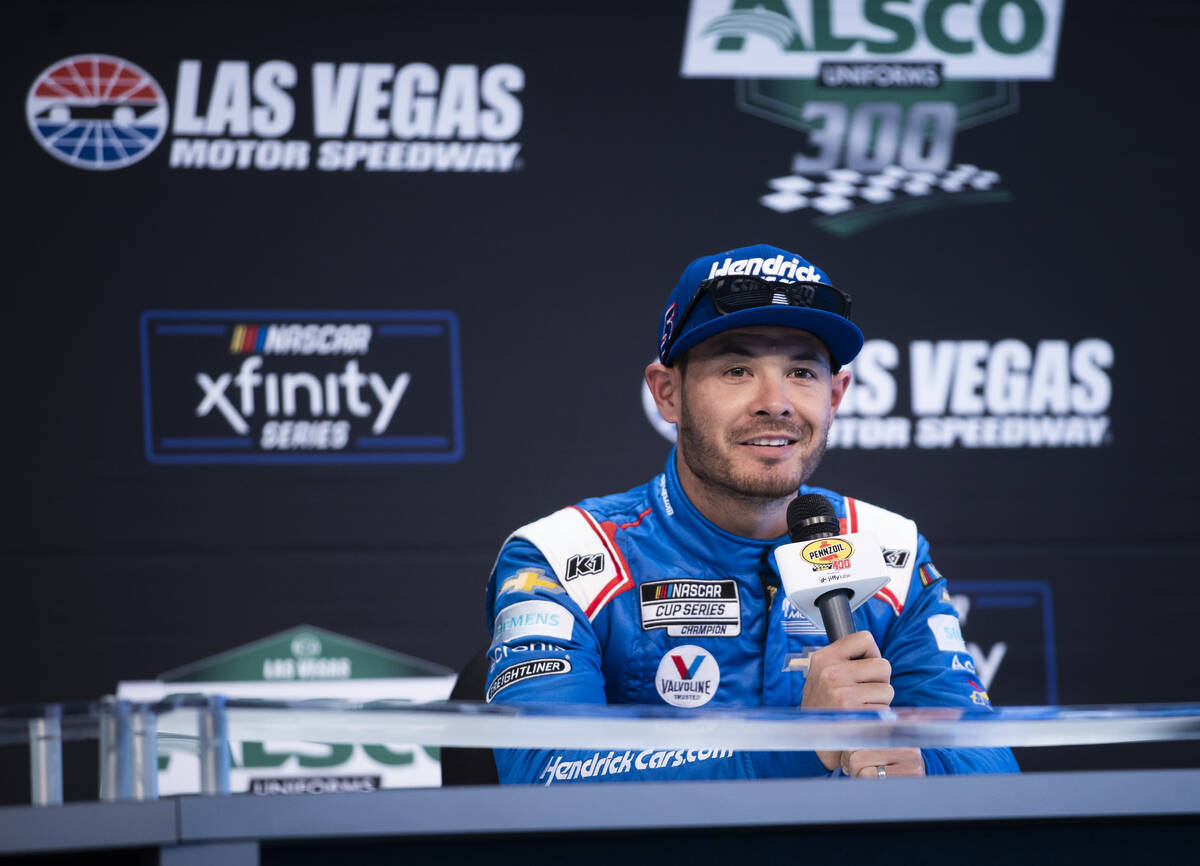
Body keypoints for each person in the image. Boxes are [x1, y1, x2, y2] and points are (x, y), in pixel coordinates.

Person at [483, 243, 1019, 785]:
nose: (776, 402)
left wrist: (927, 764)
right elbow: (546, 780)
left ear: (836, 395)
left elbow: (991, 764)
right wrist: (802, 746)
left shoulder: (891, 552)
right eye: (737, 369)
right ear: (668, 394)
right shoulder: (565, 557)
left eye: (802, 372)